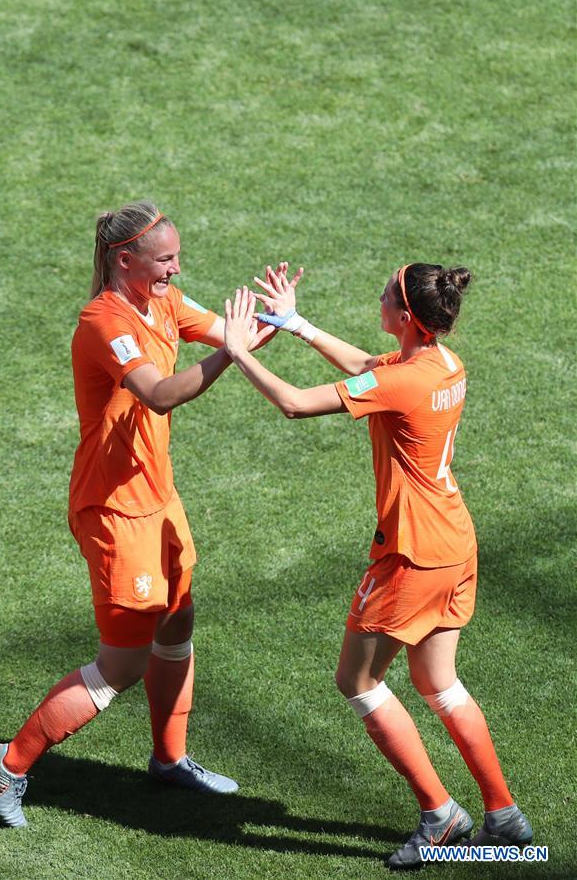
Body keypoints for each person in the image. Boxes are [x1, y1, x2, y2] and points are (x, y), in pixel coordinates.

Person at [0, 200, 281, 828]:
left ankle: (169, 761)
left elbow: (229, 334)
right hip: (114, 509)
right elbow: (161, 394)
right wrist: (236, 353)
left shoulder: (161, 301)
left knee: (177, 623)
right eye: (165, 259)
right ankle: (9, 762)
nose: (176, 268)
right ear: (126, 261)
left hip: (158, 498)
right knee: (123, 663)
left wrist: (278, 318)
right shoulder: (103, 321)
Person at [222, 265, 532, 869]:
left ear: (409, 318)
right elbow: (371, 366)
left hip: (412, 555)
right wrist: (296, 323)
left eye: (388, 295)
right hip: (455, 546)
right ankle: (504, 814)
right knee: (439, 683)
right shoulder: (442, 365)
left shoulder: (405, 382)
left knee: (358, 681)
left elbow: (292, 403)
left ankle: (440, 815)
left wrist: (239, 352)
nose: (380, 299)